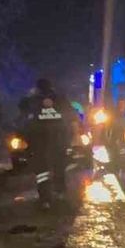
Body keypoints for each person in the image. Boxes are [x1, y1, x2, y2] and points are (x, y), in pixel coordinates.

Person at [18, 78, 75, 209]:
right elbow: (72, 118)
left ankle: (45, 199)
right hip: (59, 141)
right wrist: (70, 138)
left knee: (42, 171)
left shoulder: (31, 100)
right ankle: (60, 193)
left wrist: (24, 139)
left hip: (38, 143)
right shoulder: (60, 99)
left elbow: (22, 119)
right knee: (59, 167)